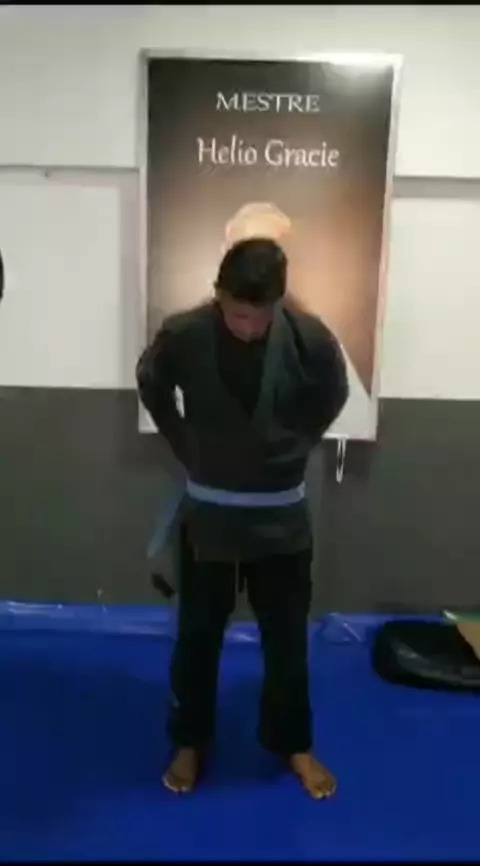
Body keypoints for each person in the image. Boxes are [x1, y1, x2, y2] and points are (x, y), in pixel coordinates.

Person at [136, 237, 349, 799]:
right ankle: (190, 739)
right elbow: (151, 382)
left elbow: (334, 392)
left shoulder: (310, 339)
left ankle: (292, 742)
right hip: (209, 514)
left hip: (281, 518)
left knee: (287, 638)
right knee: (198, 634)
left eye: (260, 316)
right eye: (236, 314)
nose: (248, 328)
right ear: (218, 294)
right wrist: (183, 441)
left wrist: (295, 444)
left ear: (278, 302)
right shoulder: (184, 334)